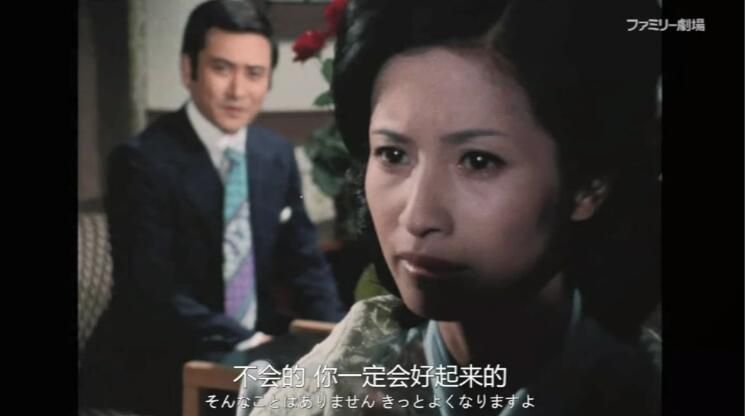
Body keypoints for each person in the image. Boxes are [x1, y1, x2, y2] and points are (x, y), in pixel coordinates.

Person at [251, 0, 661, 414]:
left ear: (588, 186)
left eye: (479, 161)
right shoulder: (327, 392)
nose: (418, 217)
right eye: (393, 154)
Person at [79, 1, 346, 415]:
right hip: (156, 366)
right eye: (222, 69)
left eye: (254, 73)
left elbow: (306, 263)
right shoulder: (140, 161)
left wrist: (340, 339)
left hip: (250, 358)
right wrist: (247, 343)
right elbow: (151, 292)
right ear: (189, 69)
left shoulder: (275, 155)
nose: (238, 91)